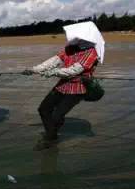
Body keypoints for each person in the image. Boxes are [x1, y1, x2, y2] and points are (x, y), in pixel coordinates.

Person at [24, 21, 104, 150]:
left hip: (78, 88)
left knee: (57, 115)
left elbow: (75, 70)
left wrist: (55, 72)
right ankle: (53, 133)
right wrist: (34, 69)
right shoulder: (69, 48)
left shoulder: (92, 53)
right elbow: (53, 61)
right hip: (63, 85)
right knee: (43, 109)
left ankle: (49, 139)